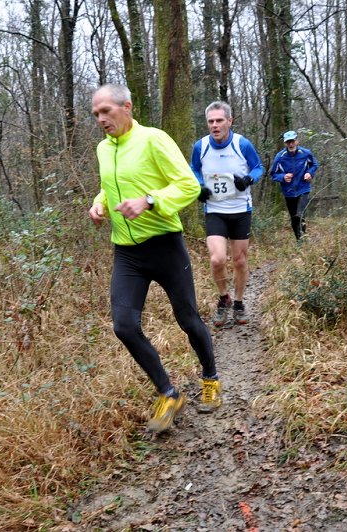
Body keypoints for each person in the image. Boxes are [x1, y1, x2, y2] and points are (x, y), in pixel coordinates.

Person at [88, 84, 222, 433]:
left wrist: (148, 201)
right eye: (96, 114)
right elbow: (110, 184)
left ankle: (210, 378)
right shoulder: (104, 149)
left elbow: (188, 185)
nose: (101, 119)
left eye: (106, 111)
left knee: (187, 319)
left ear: (127, 107)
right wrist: (99, 203)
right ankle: (168, 393)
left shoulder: (153, 139)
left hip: (165, 246)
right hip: (127, 253)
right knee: (124, 326)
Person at [190, 101, 264, 327]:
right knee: (217, 259)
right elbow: (194, 169)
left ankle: (239, 302)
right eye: (211, 121)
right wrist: (199, 186)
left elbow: (258, 167)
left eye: (219, 120)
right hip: (215, 210)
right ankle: (224, 298)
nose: (215, 125)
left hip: (241, 209)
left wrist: (249, 179)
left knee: (240, 261)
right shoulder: (201, 146)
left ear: (229, 121)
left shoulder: (242, 144)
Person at [270, 130, 318, 241]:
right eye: (288, 142)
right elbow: (273, 174)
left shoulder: (306, 153)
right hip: (289, 191)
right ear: (285, 143)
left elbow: (314, 164)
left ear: (297, 141)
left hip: (303, 188)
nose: (291, 144)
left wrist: (309, 173)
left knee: (300, 213)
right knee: (294, 217)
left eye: (292, 141)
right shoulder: (280, 157)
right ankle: (299, 239)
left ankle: (303, 235)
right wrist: (283, 177)